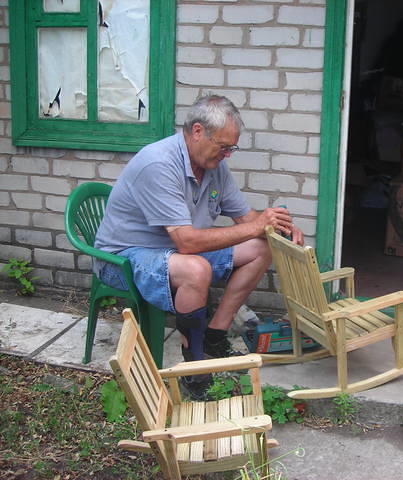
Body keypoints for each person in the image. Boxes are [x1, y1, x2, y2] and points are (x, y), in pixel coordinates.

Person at [93, 95, 303, 397]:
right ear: (196, 131)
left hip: (174, 252)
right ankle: (194, 369)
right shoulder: (158, 163)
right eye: (223, 146)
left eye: (232, 148)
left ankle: (214, 336)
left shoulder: (214, 166)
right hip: (122, 258)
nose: (228, 154)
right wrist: (256, 226)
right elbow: (187, 242)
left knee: (260, 248)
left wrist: (277, 226)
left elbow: (247, 219)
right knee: (196, 269)